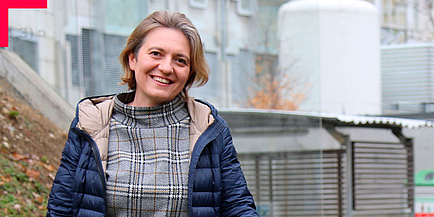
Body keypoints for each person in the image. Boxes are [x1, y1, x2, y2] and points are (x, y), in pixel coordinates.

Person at [46, 10, 258, 217]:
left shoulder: (208, 126)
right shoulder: (92, 122)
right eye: (156, 53)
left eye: (180, 60)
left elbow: (237, 206)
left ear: (190, 73)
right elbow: (61, 208)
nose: (166, 67)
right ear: (132, 58)